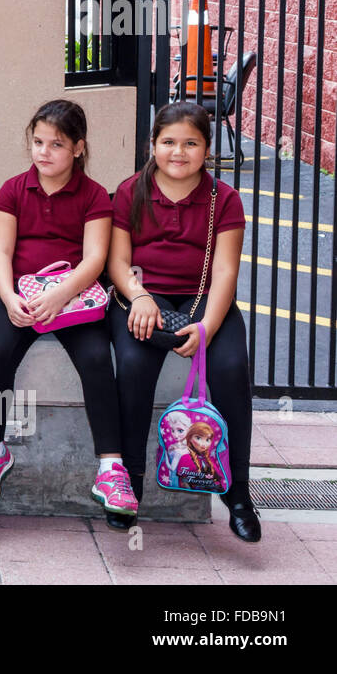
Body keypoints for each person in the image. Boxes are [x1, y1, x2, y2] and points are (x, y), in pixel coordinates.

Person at [0, 99, 135, 519]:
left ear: (78, 148)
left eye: (56, 144)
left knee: (99, 358)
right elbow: (1, 250)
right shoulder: (12, 189)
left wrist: (59, 295)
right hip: (23, 297)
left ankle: (111, 468)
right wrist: (8, 298)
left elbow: (95, 259)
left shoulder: (95, 195)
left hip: (73, 300)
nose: (44, 152)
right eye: (38, 142)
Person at [108, 101, 259, 541]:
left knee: (231, 370)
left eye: (191, 143)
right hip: (141, 303)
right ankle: (129, 486)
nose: (179, 152)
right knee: (133, 369)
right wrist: (139, 296)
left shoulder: (224, 200)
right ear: (152, 145)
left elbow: (226, 272)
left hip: (205, 303)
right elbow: (117, 262)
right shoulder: (130, 191)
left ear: (207, 149)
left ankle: (238, 495)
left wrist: (208, 327)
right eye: (169, 142)